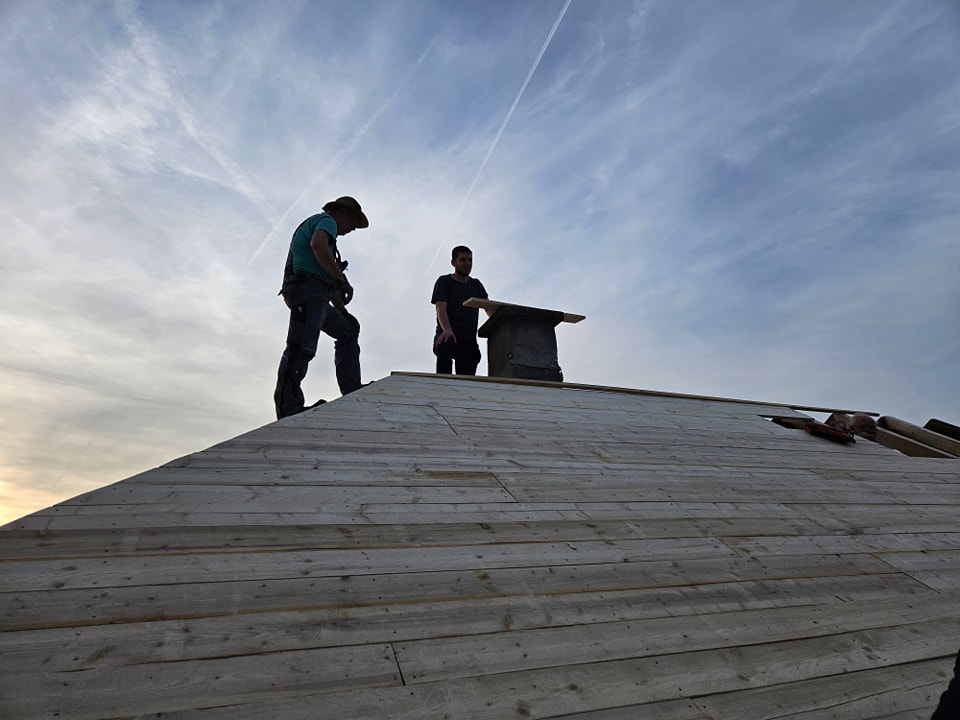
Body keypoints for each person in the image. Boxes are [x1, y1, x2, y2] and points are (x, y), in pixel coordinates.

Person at [273, 196, 369, 419]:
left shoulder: (330, 240)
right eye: (354, 222)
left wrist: (342, 309)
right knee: (301, 347)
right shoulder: (327, 222)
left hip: (315, 295)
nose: (353, 229)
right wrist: (341, 278)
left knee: (348, 329)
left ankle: (352, 389)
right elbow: (317, 245)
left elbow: (328, 278)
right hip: (305, 292)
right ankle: (289, 407)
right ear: (344, 213)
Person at [431, 245, 489, 376]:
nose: (467, 263)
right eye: (463, 260)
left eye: (470, 260)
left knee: (471, 356)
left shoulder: (476, 285)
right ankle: (442, 386)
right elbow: (440, 309)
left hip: (468, 341)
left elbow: (488, 308)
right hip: (448, 334)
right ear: (453, 262)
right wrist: (447, 330)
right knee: (446, 344)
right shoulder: (444, 281)